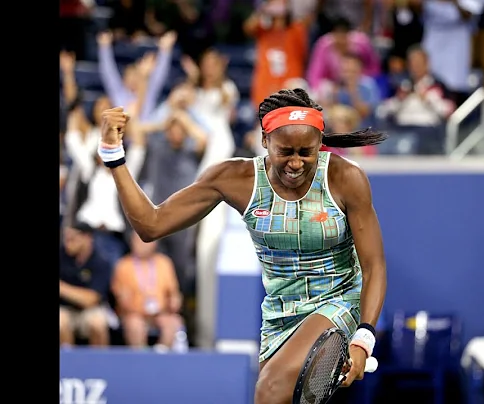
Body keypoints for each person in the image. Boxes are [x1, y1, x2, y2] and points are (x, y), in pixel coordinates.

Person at [99, 88, 388, 404]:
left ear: (320, 143)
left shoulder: (345, 178)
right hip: (280, 312)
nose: (295, 163)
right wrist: (114, 156)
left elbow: (373, 265)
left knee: (268, 390)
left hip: (340, 299)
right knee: (270, 393)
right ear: (265, 141)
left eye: (306, 152)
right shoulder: (234, 178)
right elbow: (150, 225)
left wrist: (363, 338)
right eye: (285, 151)